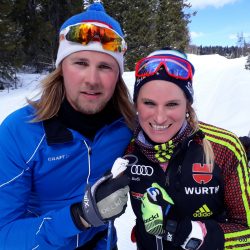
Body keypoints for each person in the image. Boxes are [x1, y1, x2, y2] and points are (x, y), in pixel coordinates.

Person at [0, 3, 135, 250]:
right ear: (61, 68)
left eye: (105, 66)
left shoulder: (127, 127)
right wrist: (79, 217)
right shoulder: (19, 132)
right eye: (80, 63)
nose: (92, 80)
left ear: (118, 75)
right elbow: (4, 234)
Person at [122, 48, 250, 249]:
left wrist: (196, 234)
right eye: (149, 103)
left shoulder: (224, 149)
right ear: (136, 104)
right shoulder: (124, 147)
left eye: (172, 104)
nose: (160, 118)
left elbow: (246, 232)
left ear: (187, 105)